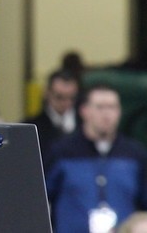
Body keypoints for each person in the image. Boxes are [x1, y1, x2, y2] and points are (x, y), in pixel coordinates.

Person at [45, 84, 147, 233]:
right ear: (84, 111)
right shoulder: (61, 152)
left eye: (112, 107)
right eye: (100, 107)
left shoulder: (135, 154)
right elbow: (41, 198)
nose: (107, 114)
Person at [23, 69, 80, 160]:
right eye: (59, 97)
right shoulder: (31, 127)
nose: (66, 102)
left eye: (71, 98)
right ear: (47, 93)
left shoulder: (85, 124)